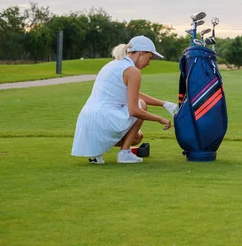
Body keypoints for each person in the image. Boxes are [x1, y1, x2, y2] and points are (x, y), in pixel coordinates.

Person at [71, 35, 179, 164]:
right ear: (141, 53)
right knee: (141, 106)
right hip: (104, 120)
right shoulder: (133, 71)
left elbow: (133, 94)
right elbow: (134, 110)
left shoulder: (112, 64)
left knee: (137, 137)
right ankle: (124, 153)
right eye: (149, 58)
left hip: (87, 121)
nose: (149, 63)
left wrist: (164, 104)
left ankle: (96, 152)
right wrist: (160, 119)